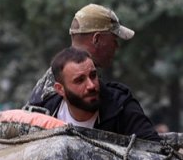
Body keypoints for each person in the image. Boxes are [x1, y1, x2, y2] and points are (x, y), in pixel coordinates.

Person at [25, 3, 156, 130]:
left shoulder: (53, 78)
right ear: (96, 39)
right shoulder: (51, 96)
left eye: (93, 76)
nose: (116, 46)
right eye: (114, 40)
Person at [27, 47, 160, 138]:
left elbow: (154, 151)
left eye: (93, 75)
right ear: (60, 89)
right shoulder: (45, 113)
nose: (91, 85)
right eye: (80, 80)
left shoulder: (121, 107)